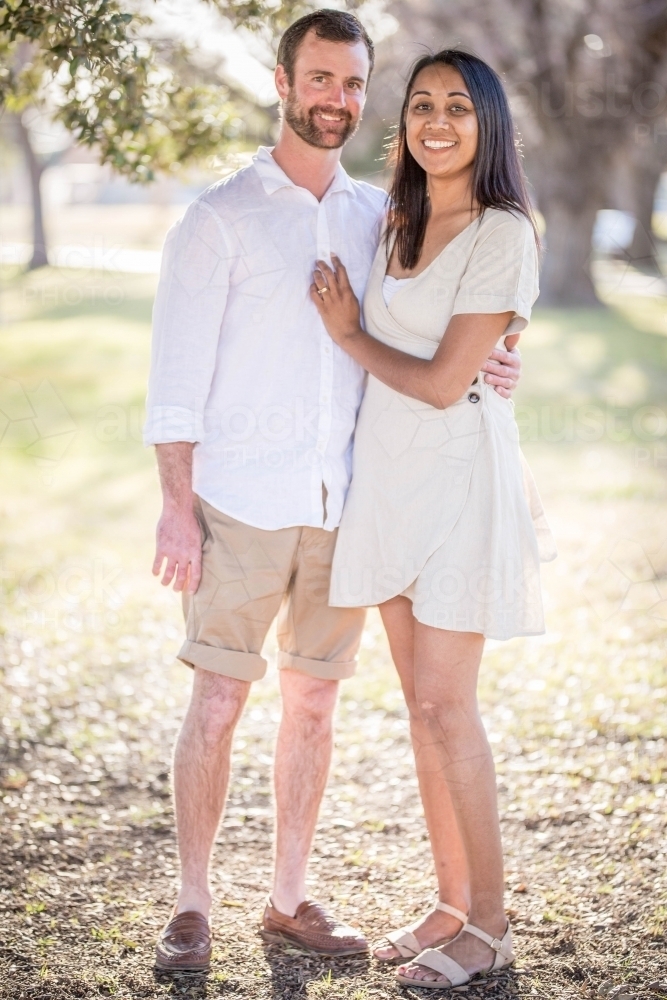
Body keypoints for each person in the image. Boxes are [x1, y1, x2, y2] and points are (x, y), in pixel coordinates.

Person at [144, 12, 523, 973]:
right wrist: (175, 503)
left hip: (342, 505)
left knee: (313, 706)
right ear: (283, 82)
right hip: (239, 501)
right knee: (219, 706)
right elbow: (175, 380)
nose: (336, 100)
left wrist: (499, 362)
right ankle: (193, 903)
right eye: (320, 80)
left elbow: (436, 333)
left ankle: (287, 899)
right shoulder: (219, 216)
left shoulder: (377, 217)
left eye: (353, 85)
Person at [311, 49, 556, 990]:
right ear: (402, 122)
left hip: (457, 487)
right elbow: (475, 349)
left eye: (458, 104)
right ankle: (450, 903)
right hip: (387, 481)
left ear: (488, 123)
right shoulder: (395, 219)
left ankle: (489, 929)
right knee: (420, 709)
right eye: (420, 104)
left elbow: (449, 380)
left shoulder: (504, 230)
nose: (436, 120)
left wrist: (348, 335)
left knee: (450, 706)